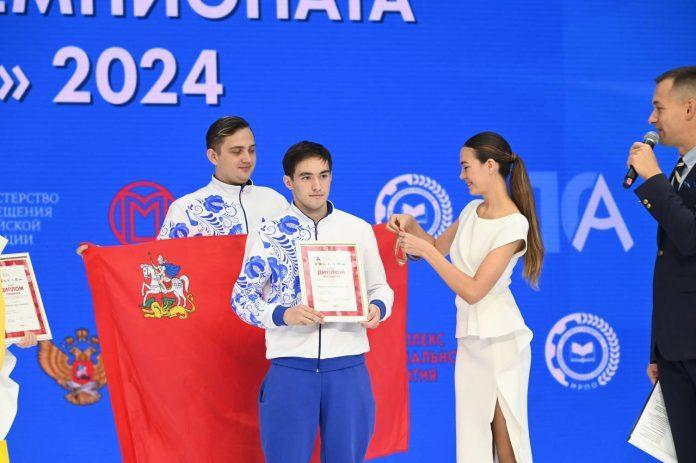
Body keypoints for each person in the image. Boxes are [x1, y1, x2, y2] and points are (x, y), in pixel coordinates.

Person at [231, 141, 394, 463]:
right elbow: (242, 298)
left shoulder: (357, 229)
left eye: (324, 175)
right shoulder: (268, 232)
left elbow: (380, 288)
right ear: (288, 182)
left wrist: (377, 308)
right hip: (291, 368)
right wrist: (283, 314)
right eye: (306, 177)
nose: (317, 186)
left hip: (348, 367)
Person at [388, 132, 543, 463]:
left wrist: (427, 252)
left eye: (466, 167)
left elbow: (474, 290)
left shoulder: (514, 225)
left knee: (506, 439)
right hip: (471, 339)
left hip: (500, 342)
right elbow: (438, 246)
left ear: (490, 165)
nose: (461, 176)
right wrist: (412, 226)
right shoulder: (472, 210)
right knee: (473, 438)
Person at [77, 116, 287, 254]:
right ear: (213, 156)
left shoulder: (275, 202)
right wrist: (102, 257)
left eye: (251, 150)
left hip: (273, 312)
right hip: (210, 311)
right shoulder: (186, 210)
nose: (247, 159)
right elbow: (158, 266)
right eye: (236, 151)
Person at [626, 65, 696, 462]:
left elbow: (691, 238)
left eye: (659, 107)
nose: (652, 119)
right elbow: (671, 265)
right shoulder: (681, 171)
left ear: (689, 108)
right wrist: (659, 346)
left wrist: (652, 177)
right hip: (676, 347)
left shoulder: (664, 174)